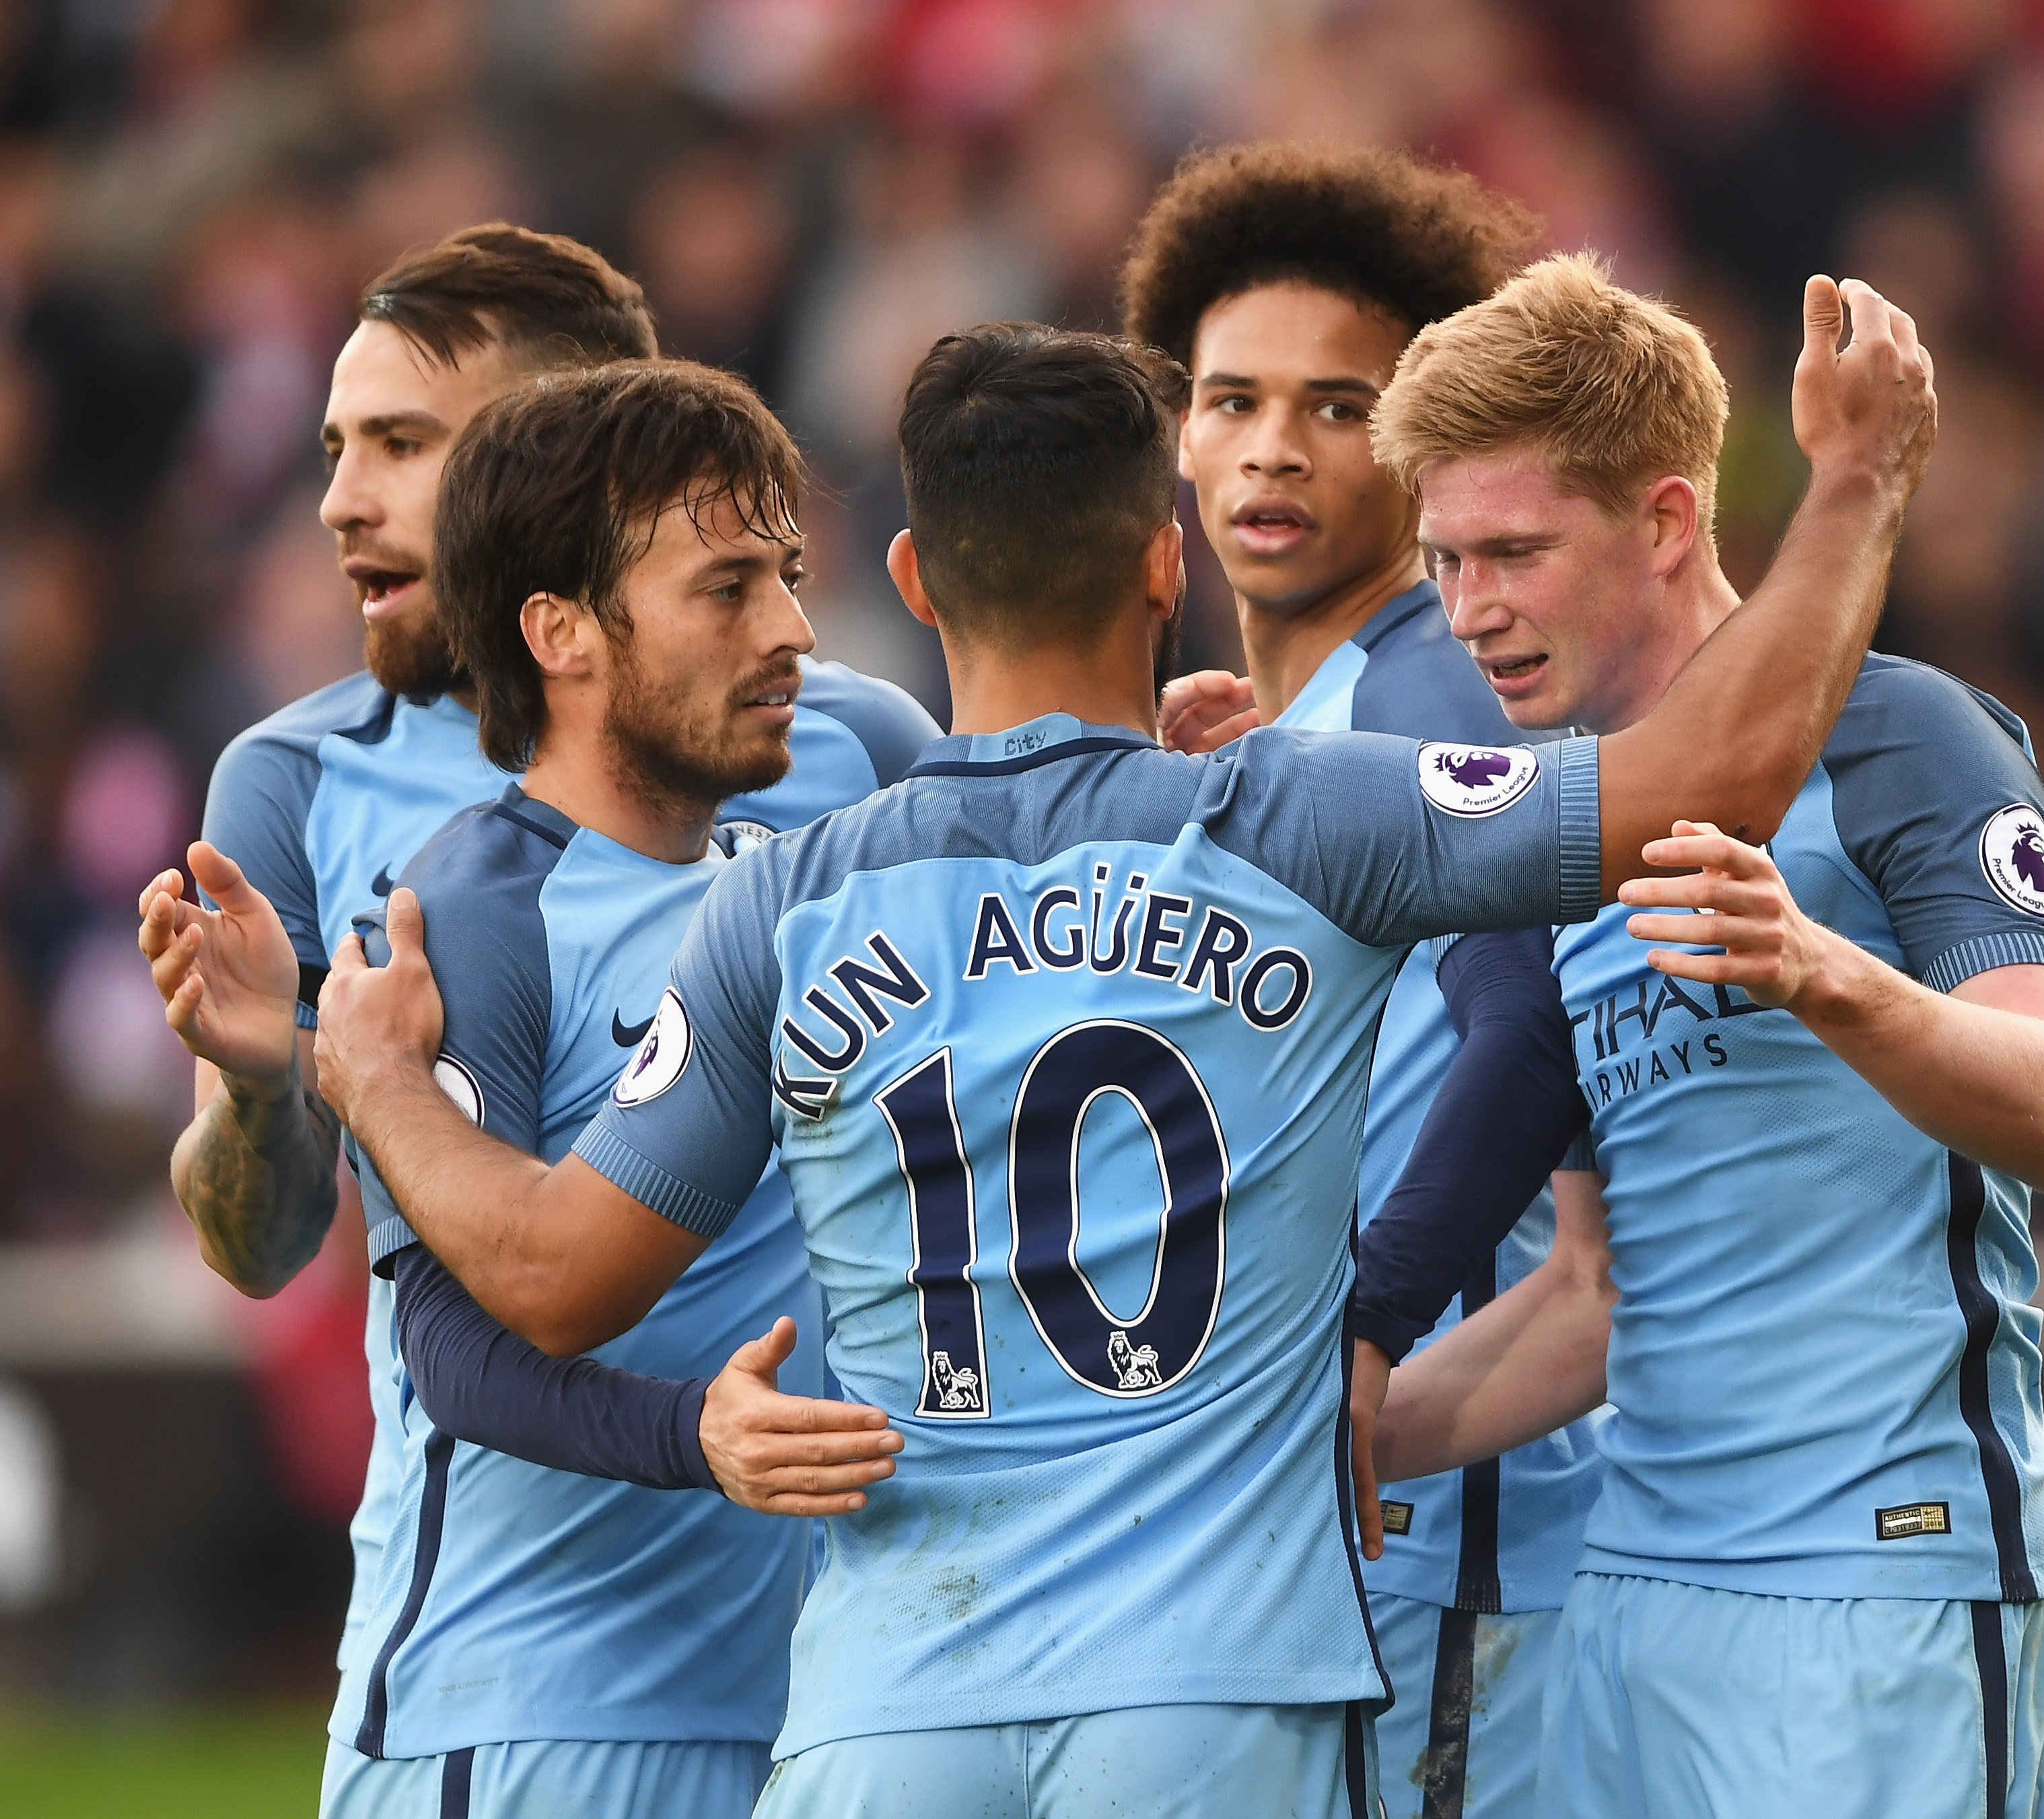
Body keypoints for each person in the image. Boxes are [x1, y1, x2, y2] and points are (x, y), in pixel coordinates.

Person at [312, 296, 1932, 1819]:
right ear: (1167, 563)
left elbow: (554, 1276)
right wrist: (1856, 481)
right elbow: (1717, 770)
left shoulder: (777, 906)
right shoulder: (1302, 818)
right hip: (1212, 1695)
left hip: (888, 1711)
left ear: (916, 580)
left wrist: (379, 1085)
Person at [132, 228, 937, 1810]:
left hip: (843, 1668)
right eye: (336, 447)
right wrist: (267, 1092)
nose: (341, 499)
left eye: (402, 443)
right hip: (521, 1677)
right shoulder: (295, 785)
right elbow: (266, 1246)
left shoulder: (848, 747)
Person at [1349, 254, 2044, 1819]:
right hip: (1630, 1592)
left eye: (1514, 552)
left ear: (1666, 521)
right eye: (1443, 560)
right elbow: (1590, 1298)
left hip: (1879, 1578)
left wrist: (1823, 974)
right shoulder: (1562, 830)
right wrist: (1329, 1440)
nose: (1469, 611)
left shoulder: (1904, 735)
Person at [311, 357, 911, 1819]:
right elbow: (448, 1352)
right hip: (526, 1723)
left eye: (785, 578)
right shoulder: (471, 913)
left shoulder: (791, 888)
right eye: (727, 588)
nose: (791, 631)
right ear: (561, 632)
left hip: (793, 1707)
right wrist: (693, 1433)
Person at [1119, 141, 1607, 1819]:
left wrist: (1364, 1331)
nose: (1274, 446)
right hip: (1356, 1542)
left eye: (1339, 406)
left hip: (1448, 1538)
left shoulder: (1428, 692)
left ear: (1423, 446)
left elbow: (1531, 1029)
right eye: (1232, 400)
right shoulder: (1302, 722)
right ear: (1180, 434)